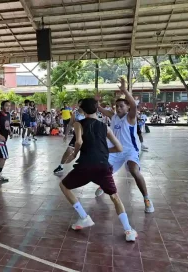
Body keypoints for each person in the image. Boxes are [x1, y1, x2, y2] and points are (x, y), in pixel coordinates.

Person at [59, 98, 137, 241]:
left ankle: (84, 217)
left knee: (63, 186)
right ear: (97, 109)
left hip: (85, 166)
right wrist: (102, 151)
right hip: (102, 166)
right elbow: (119, 148)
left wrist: (75, 154)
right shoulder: (105, 127)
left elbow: (78, 142)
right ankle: (128, 231)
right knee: (115, 197)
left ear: (82, 111)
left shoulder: (78, 124)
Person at [95, 78, 154, 213]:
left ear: (127, 107)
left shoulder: (131, 117)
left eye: (122, 106)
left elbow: (134, 105)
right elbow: (99, 108)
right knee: (104, 170)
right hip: (115, 151)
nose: (119, 108)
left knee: (134, 171)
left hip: (129, 150)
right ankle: (103, 186)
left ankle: (146, 198)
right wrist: (97, 100)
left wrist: (124, 91)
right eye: (117, 106)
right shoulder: (113, 116)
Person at [53, 99, 85, 175]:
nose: (81, 105)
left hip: (87, 137)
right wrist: (66, 135)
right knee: (68, 151)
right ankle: (61, 166)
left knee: (88, 154)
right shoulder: (75, 113)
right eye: (79, 103)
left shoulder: (88, 113)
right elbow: (70, 124)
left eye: (82, 104)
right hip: (76, 136)